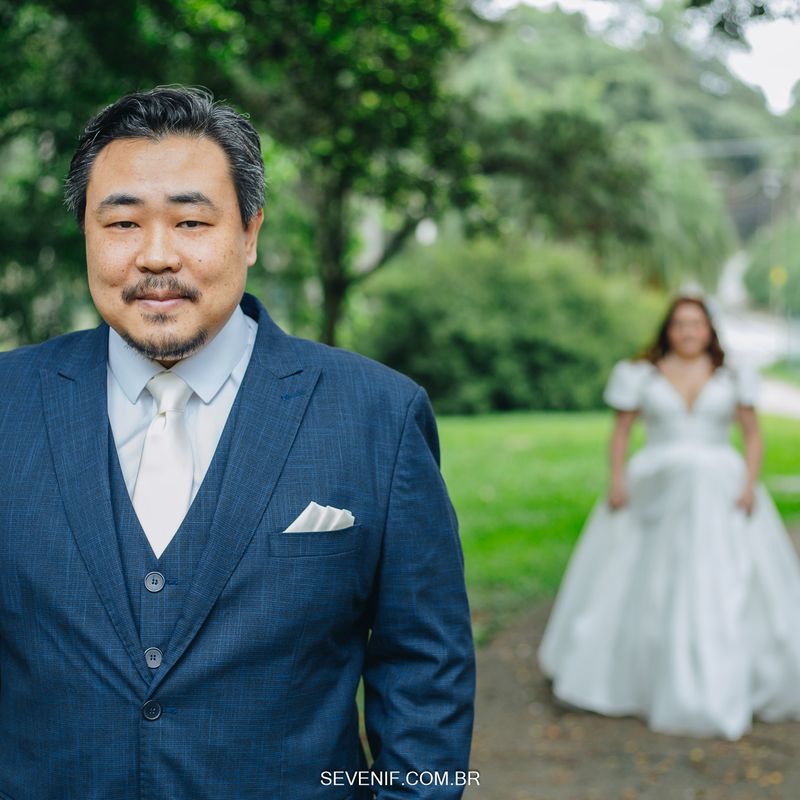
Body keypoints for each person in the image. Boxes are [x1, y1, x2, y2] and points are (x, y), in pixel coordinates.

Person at [0, 87, 475, 799]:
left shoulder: (377, 414)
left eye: (191, 221)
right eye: (122, 223)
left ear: (249, 233)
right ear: (87, 236)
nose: (156, 256)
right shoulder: (8, 402)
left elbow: (426, 670)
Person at [538, 295, 800, 740]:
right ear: (668, 329)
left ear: (709, 330)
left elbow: (752, 435)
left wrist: (749, 483)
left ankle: (727, 675)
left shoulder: (732, 375)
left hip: (721, 489)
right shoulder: (640, 374)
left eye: (696, 324)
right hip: (655, 488)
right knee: (640, 574)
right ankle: (638, 675)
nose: (688, 332)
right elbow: (621, 432)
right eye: (680, 324)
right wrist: (617, 479)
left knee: (725, 578)